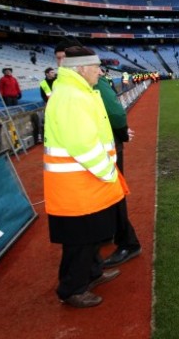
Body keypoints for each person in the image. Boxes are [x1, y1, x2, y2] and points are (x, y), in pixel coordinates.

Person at [43, 46, 127, 308]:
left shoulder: (76, 92)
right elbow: (82, 144)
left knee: (93, 235)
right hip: (78, 184)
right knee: (80, 240)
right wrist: (108, 171)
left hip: (85, 183)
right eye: (95, 68)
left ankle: (92, 273)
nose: (99, 72)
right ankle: (72, 289)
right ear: (80, 69)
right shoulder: (71, 96)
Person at [94, 65, 142, 268]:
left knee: (113, 194)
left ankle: (126, 241)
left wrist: (122, 133)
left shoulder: (95, 81)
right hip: (99, 148)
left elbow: (115, 112)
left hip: (106, 148)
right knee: (106, 195)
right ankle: (111, 233)